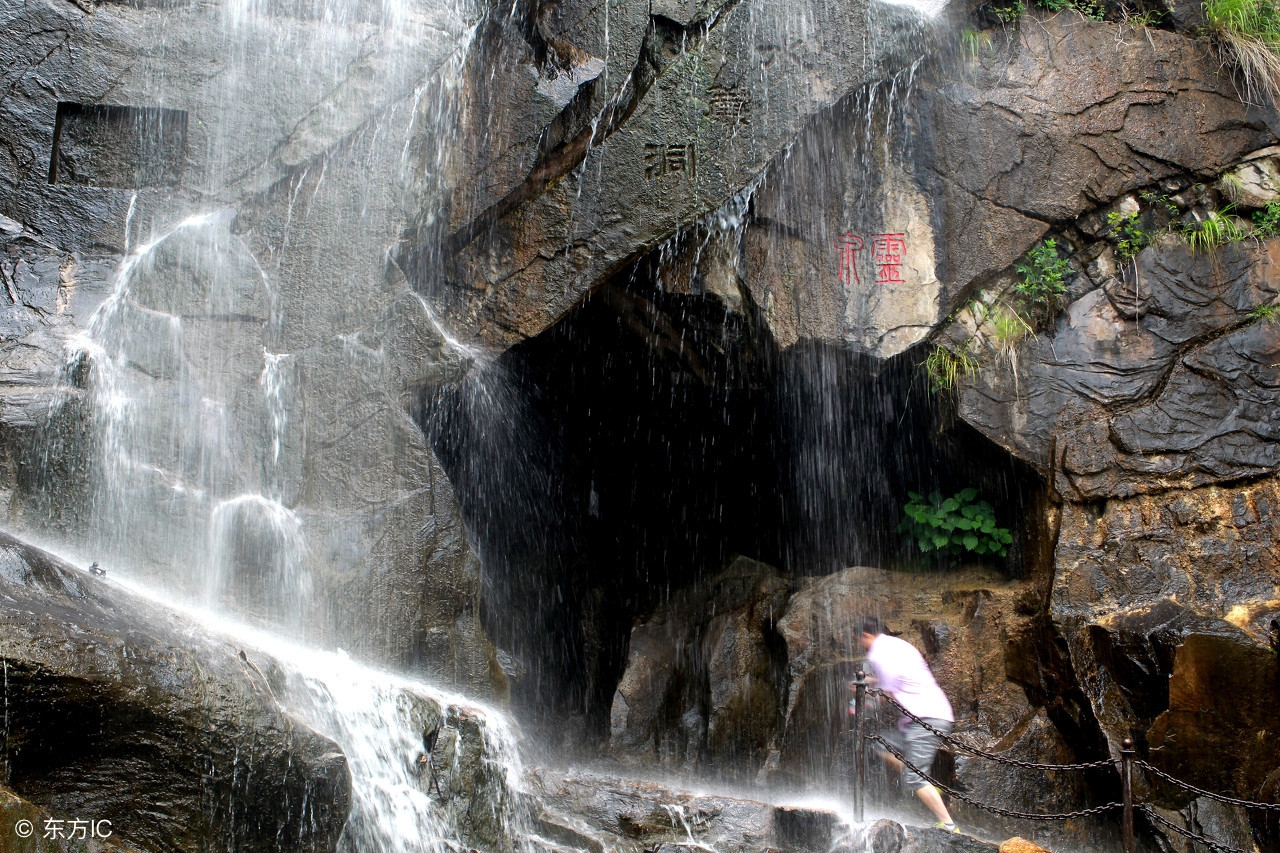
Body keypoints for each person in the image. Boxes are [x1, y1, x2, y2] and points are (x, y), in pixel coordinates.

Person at [855, 616, 959, 834]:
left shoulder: (878, 653)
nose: (860, 645)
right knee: (881, 745)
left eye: (859, 640)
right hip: (922, 718)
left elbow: (889, 693)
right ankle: (928, 785)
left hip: (926, 719)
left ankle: (949, 826)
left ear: (866, 635)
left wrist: (863, 695)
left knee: (914, 777)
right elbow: (899, 681)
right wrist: (869, 684)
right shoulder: (899, 646)